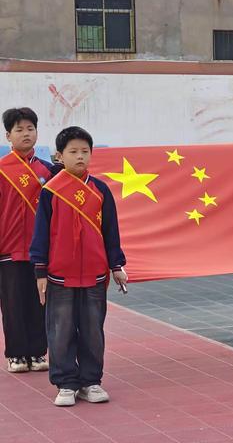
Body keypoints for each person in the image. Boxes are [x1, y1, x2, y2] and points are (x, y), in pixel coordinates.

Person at [30, 126, 127, 406]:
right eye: (73, 152)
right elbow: (41, 234)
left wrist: (116, 265)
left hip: (95, 274)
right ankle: (66, 383)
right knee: (60, 331)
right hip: (59, 275)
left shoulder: (101, 190)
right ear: (60, 156)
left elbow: (111, 231)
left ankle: (91, 382)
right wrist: (40, 270)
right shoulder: (50, 192)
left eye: (85, 151)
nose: (80, 156)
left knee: (92, 330)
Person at [0, 107, 53, 372]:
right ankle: (16, 354)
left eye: (30, 129)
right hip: (8, 249)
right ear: (8, 135)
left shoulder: (49, 170)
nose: (25, 134)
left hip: (39, 251)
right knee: (12, 303)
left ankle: (38, 352)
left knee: (39, 301)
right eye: (19, 130)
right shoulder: (1, 169)